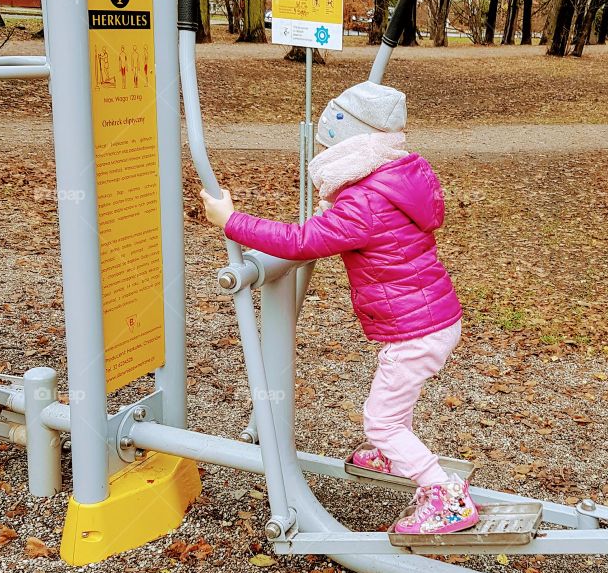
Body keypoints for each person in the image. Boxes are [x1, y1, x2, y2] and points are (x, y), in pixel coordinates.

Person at [199, 80, 479, 536]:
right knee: (392, 404)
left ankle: (445, 497)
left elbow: (301, 241)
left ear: (350, 145)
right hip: (430, 318)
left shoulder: (364, 201)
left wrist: (231, 221)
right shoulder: (394, 181)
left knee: (382, 420)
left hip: (416, 328)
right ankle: (393, 455)